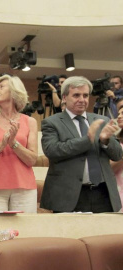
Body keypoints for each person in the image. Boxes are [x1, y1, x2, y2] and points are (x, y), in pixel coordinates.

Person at [41, 76, 122, 213]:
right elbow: (52, 150)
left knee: (103, 234)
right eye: (76, 95)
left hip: (103, 193)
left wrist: (105, 140)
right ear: (65, 97)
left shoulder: (101, 120)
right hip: (68, 195)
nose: (82, 100)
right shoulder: (51, 122)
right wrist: (87, 139)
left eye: (85, 95)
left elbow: (118, 155)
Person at [0, 75, 38, 213]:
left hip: (24, 188)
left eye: (1, 87)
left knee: (25, 233)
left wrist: (13, 143)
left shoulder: (30, 122)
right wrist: (1, 146)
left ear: (14, 92)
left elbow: (32, 159)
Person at [110, 98, 123, 211]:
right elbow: (109, 169)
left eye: (122, 113)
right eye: (118, 113)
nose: (119, 116)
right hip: (118, 192)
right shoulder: (116, 141)